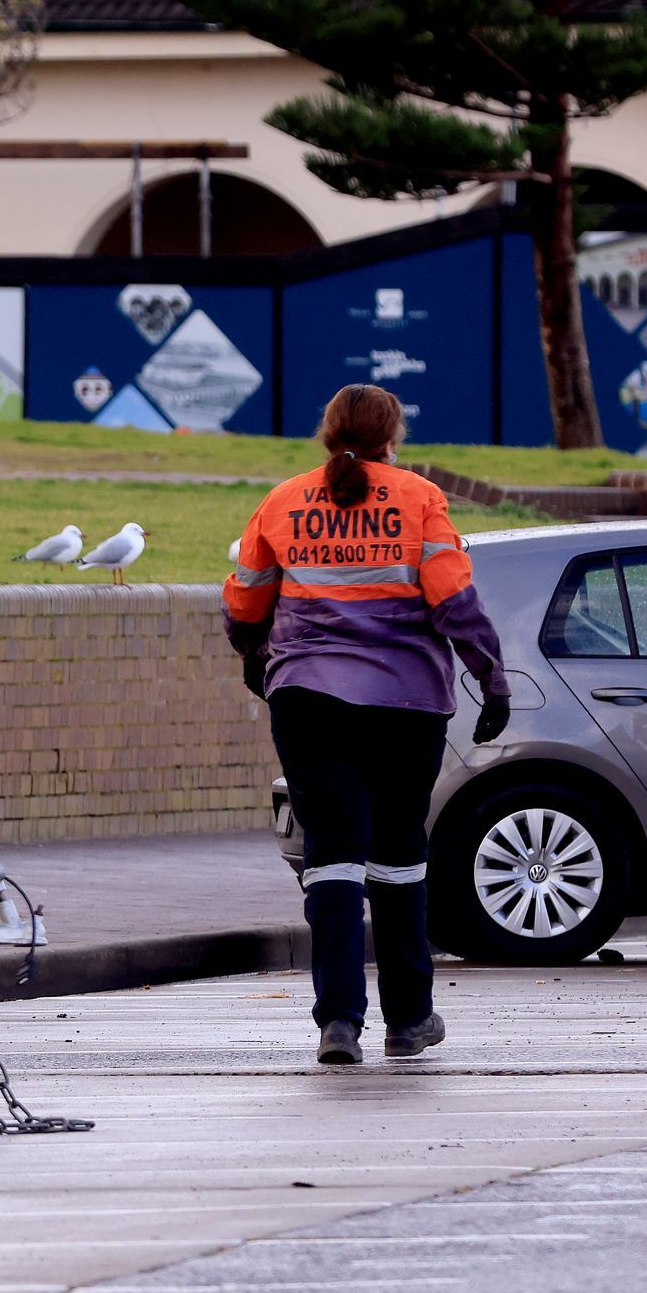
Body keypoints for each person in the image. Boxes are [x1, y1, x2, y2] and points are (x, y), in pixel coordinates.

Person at [224, 384, 510, 1066]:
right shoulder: (419, 498)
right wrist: (490, 674)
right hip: (406, 704)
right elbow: (453, 601)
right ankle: (408, 1019)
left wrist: (254, 653)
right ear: (392, 434)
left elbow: (245, 602)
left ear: (328, 432)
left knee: (331, 856)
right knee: (400, 857)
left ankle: (339, 1024)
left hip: (309, 701)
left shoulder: (284, 500)